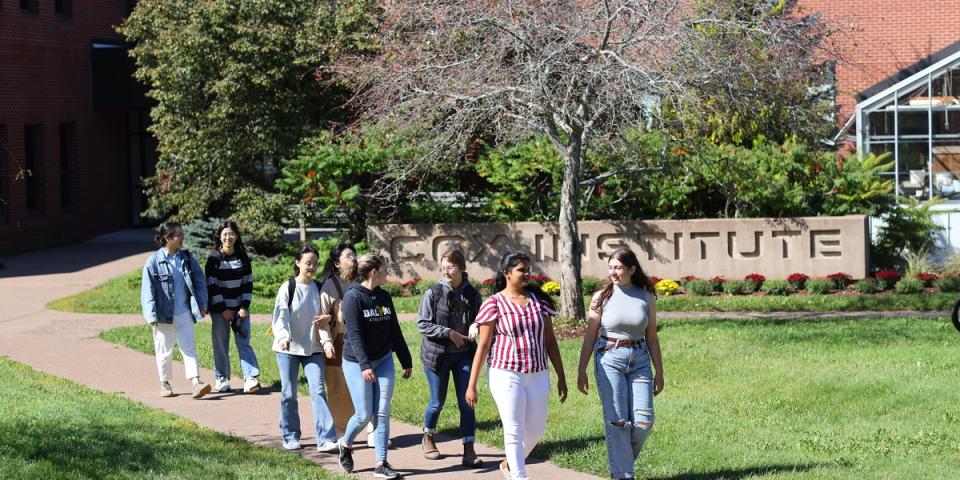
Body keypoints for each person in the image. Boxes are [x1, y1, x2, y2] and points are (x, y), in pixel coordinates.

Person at [466, 251, 567, 480]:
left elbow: (550, 342)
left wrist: (561, 376)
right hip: (505, 374)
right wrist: (472, 385)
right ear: (507, 273)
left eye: (528, 269)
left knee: (536, 430)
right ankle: (520, 476)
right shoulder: (493, 304)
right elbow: (482, 346)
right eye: (521, 269)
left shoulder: (540, 302)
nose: (527, 273)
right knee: (514, 430)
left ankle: (509, 464)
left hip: (538, 373)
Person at [575, 248, 664, 480]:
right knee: (618, 421)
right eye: (611, 267)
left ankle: (620, 464)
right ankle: (623, 474)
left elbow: (652, 338)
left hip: (640, 359)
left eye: (618, 268)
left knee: (644, 422)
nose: (613, 272)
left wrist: (660, 372)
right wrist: (581, 370)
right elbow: (590, 335)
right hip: (609, 358)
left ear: (632, 270)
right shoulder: (600, 297)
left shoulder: (645, 297)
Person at [337, 252, 413, 480]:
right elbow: (355, 334)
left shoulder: (384, 297)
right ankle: (346, 443)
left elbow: (395, 330)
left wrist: (406, 360)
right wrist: (364, 365)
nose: (388, 272)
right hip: (356, 362)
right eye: (385, 268)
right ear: (374, 271)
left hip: (383, 359)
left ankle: (381, 463)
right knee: (363, 414)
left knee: (381, 411)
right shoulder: (353, 298)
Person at [417, 249, 484, 466]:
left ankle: (469, 450)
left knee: (467, 403)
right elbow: (423, 324)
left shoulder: (473, 295)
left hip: (463, 355)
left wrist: (476, 325)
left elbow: (481, 318)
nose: (446, 271)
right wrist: (448, 333)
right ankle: (428, 437)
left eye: (450, 267)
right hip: (437, 356)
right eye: (443, 267)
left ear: (462, 269)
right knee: (437, 403)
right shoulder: (434, 293)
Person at [270, 244, 339, 453]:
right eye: (308, 263)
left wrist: (329, 320)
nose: (312, 267)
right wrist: (282, 337)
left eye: (315, 264)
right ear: (298, 263)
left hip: (313, 349)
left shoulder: (320, 288)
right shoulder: (287, 288)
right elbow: (279, 317)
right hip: (288, 349)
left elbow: (327, 315)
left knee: (318, 391)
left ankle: (326, 438)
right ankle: (290, 435)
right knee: (288, 393)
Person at [140, 221, 211, 399]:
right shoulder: (153, 262)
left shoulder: (186, 258)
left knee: (189, 347)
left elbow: (200, 281)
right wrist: (151, 315)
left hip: (185, 313)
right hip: (163, 316)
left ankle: (196, 383)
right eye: (179, 235)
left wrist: (202, 304)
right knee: (164, 350)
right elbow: (147, 291)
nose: (182, 238)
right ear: (168, 238)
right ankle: (165, 383)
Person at [205, 220, 261, 394]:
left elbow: (247, 283)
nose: (228, 237)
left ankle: (250, 378)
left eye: (231, 234)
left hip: (240, 309)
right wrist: (223, 309)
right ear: (220, 237)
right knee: (220, 344)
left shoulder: (243, 257)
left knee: (243, 342)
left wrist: (244, 307)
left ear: (236, 236)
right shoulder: (214, 259)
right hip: (220, 310)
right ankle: (221, 378)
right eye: (225, 235)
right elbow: (212, 285)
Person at [316, 243, 359, 435]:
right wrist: (326, 343)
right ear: (336, 263)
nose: (354, 259)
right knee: (338, 391)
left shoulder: (363, 281)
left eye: (355, 255)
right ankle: (340, 431)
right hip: (338, 343)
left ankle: (372, 430)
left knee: (366, 387)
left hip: (362, 343)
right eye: (349, 256)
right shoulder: (329, 286)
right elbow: (321, 319)